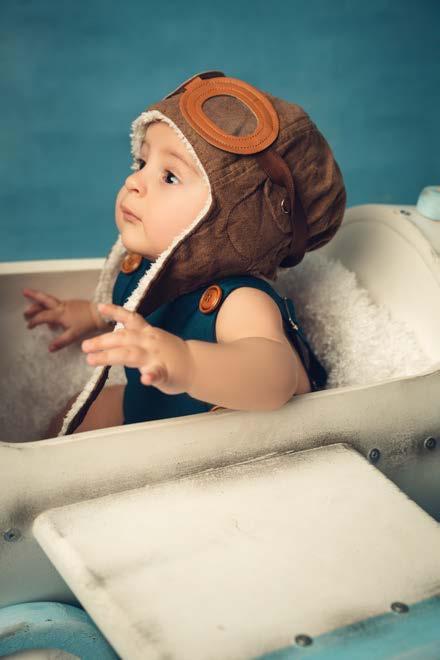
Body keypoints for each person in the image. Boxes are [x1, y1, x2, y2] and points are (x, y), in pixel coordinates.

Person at [23, 71, 346, 438]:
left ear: (239, 218)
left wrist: (186, 362)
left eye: (170, 177)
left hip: (212, 440)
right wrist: (93, 314)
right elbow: (139, 307)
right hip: (152, 407)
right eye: (142, 164)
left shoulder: (240, 301)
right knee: (72, 418)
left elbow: (276, 376)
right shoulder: (150, 269)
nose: (133, 181)